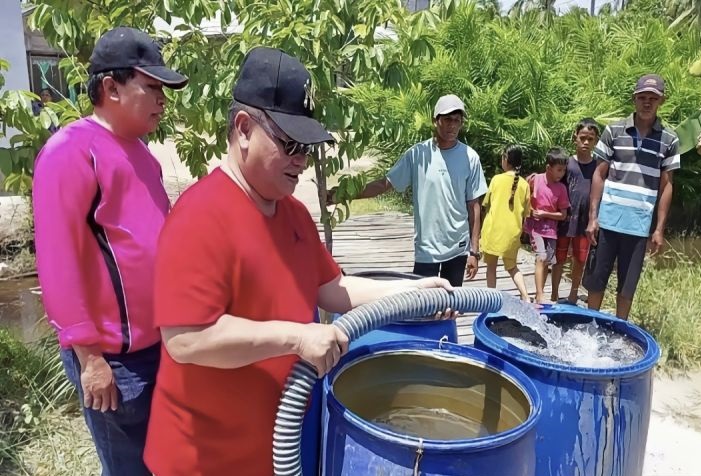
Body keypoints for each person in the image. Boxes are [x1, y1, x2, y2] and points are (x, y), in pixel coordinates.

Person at [143, 47, 455, 476]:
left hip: (277, 449)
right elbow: (187, 339)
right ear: (243, 129)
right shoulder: (200, 217)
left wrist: (412, 289)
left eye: (307, 146)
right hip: (205, 460)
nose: (301, 160)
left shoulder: (293, 213)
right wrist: (297, 336)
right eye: (289, 143)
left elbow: (332, 288)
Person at [32, 27, 188, 476]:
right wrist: (90, 358)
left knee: (162, 460)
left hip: (160, 342)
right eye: (152, 87)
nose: (162, 99)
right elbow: (59, 262)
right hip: (113, 358)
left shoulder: (142, 153)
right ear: (111, 87)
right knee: (128, 468)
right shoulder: (71, 151)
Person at [328, 94, 488, 287]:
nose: (452, 125)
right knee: (422, 306)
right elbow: (384, 184)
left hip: (458, 248)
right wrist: (344, 194)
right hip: (427, 248)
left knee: (451, 306)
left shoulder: (470, 157)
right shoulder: (418, 155)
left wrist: (474, 251)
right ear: (435, 121)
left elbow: (474, 206)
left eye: (457, 121)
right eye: (447, 119)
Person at [584, 74, 680, 319]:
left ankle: (618, 330)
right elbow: (599, 175)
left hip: (638, 226)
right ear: (634, 100)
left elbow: (667, 184)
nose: (647, 102)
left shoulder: (669, 139)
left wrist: (659, 229)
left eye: (653, 98)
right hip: (607, 221)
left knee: (627, 288)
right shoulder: (614, 130)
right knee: (596, 281)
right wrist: (592, 218)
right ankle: (588, 329)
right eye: (642, 97)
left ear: (661, 101)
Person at [550, 119, 600, 304]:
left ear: (596, 141)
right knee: (559, 258)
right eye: (582, 138)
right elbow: (553, 186)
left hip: (586, 221)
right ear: (575, 138)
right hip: (565, 219)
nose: (586, 142)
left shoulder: (598, 167)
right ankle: (554, 295)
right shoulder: (567, 164)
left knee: (580, 259)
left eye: (590, 139)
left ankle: (573, 294)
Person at [479, 144, 532, 301]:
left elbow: (486, 204)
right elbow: (527, 212)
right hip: (512, 234)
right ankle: (526, 296)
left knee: (491, 267)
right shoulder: (524, 184)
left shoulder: (496, 180)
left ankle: (491, 298)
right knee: (512, 267)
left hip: (493, 231)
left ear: (506, 160)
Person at [524, 148, 570, 304]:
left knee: (547, 260)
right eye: (559, 170)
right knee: (541, 257)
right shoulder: (534, 179)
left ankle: (540, 293)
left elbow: (562, 215)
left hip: (551, 231)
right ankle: (539, 294)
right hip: (535, 229)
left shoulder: (561, 188)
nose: (561, 174)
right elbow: (521, 197)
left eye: (564, 170)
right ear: (548, 168)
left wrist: (544, 214)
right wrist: (529, 210)